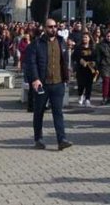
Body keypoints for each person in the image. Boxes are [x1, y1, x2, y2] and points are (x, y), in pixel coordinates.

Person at [24, 19, 72, 151]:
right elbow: (31, 63)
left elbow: (65, 61)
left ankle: (61, 139)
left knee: (58, 112)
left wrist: (66, 77)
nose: (53, 29)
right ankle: (38, 139)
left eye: (55, 26)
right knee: (38, 112)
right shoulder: (37, 44)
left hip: (58, 83)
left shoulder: (61, 42)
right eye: (50, 27)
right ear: (45, 28)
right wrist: (35, 79)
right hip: (42, 84)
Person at [72, 32, 96, 107]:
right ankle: (80, 96)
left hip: (90, 69)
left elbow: (96, 57)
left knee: (89, 85)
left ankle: (88, 99)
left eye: (86, 37)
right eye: (83, 37)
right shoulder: (78, 47)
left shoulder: (93, 48)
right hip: (80, 69)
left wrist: (94, 62)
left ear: (89, 38)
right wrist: (79, 60)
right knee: (81, 84)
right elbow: (73, 57)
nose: (84, 39)